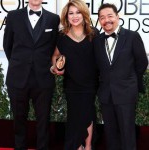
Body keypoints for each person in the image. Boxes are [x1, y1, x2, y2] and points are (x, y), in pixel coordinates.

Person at [3, 0, 60, 149]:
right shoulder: (13, 16)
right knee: (19, 121)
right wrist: (20, 63)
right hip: (17, 77)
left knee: (43, 122)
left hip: (43, 78)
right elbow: (7, 45)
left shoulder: (54, 19)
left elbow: (53, 46)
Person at [94, 3, 148, 150]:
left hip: (126, 93)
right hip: (106, 94)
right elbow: (97, 66)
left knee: (127, 133)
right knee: (110, 133)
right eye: (102, 18)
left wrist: (128, 80)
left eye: (110, 16)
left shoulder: (132, 36)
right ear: (99, 21)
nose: (107, 20)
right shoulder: (97, 40)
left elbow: (142, 62)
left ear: (118, 17)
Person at [50, 0, 98, 150]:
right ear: (66, 16)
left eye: (78, 12)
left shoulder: (93, 34)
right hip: (71, 84)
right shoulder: (62, 36)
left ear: (84, 14)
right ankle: (77, 146)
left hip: (90, 84)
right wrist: (55, 67)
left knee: (88, 114)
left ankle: (88, 146)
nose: (74, 16)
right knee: (74, 117)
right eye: (71, 13)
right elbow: (55, 56)